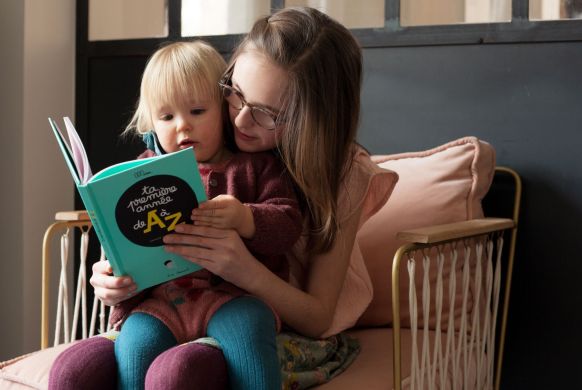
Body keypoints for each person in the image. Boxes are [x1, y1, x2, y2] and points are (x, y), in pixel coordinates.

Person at [76, 6, 395, 389]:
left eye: (267, 114)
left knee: (180, 372)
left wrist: (241, 265)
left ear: (314, 121)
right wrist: (112, 272)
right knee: (82, 367)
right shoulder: (197, 135)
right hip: (172, 306)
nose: (241, 121)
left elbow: (317, 317)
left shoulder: (342, 174)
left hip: (262, 311)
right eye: (234, 93)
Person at [48, 39, 302, 390]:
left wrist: (246, 217)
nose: (183, 126)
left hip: (232, 296)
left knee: (250, 328)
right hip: (160, 302)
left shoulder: (255, 167)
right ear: (150, 122)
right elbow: (121, 242)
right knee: (135, 346)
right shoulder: (140, 172)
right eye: (167, 117)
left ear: (223, 108)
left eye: (198, 112)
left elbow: (288, 223)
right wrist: (112, 274)